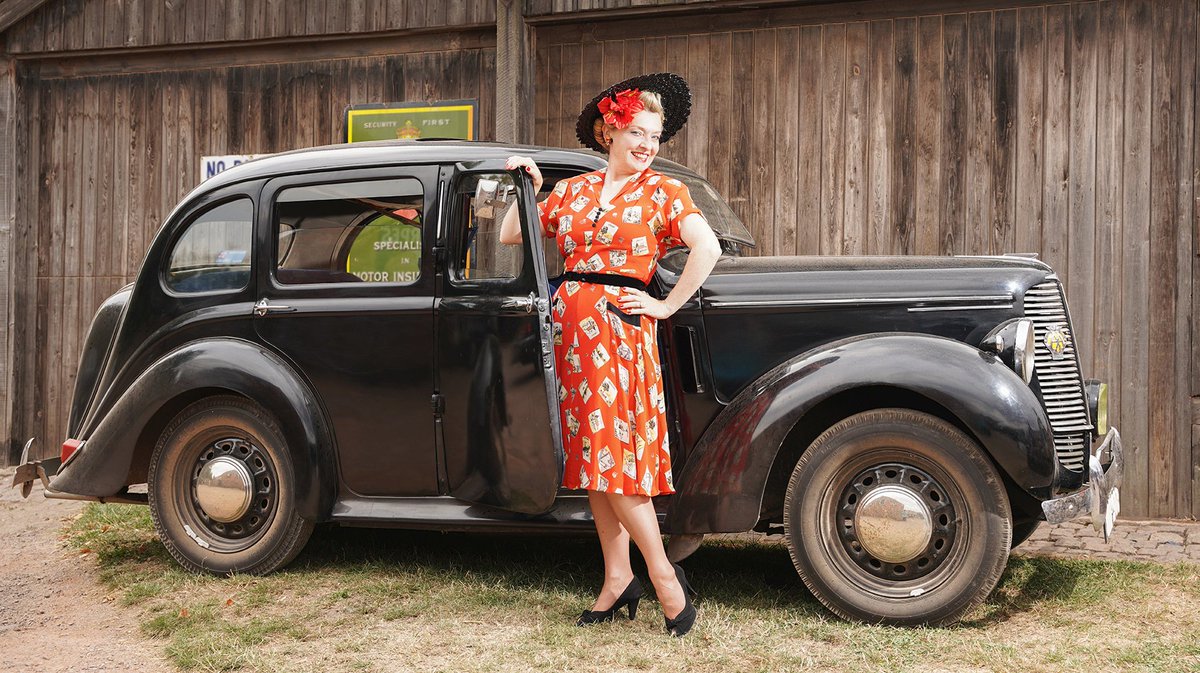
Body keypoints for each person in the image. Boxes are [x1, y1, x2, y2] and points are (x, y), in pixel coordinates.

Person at [499, 73, 722, 637]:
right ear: (609, 132)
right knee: (597, 468)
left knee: (618, 466)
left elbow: (708, 246)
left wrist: (666, 304)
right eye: (637, 133)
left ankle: (665, 577)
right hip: (573, 340)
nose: (648, 145)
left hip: (621, 337)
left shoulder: (664, 193)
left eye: (656, 136)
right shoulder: (572, 191)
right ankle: (617, 580)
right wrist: (528, 185)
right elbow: (509, 235)